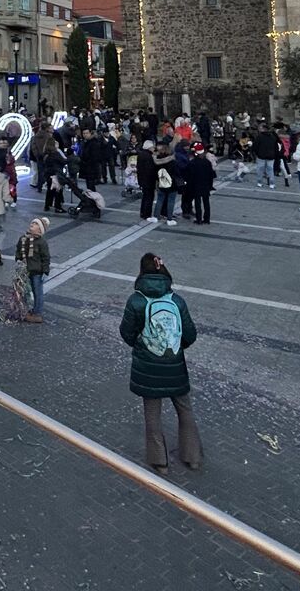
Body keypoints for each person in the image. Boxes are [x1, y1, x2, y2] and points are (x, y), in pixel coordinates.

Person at [118, 253, 201, 475]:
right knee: (185, 409)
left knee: (152, 414)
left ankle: (160, 461)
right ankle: (192, 456)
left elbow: (126, 332)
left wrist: (141, 346)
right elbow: (191, 334)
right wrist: (175, 347)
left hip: (148, 365)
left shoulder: (135, 300)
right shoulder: (176, 300)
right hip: (174, 363)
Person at [14, 216, 52, 323]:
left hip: (37, 272)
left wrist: (45, 271)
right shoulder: (23, 238)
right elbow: (18, 250)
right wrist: (18, 259)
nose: (32, 224)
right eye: (32, 223)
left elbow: (46, 258)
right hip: (25, 270)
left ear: (40, 229)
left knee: (37, 292)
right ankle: (24, 309)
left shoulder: (41, 242)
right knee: (24, 291)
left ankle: (37, 313)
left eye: (35, 224)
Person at [186, 143, 214, 225]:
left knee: (197, 202)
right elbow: (211, 175)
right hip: (205, 185)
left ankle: (199, 219)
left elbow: (189, 175)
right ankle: (207, 219)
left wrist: (189, 186)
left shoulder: (193, 163)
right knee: (206, 202)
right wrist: (210, 185)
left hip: (196, 185)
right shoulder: (207, 162)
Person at [136, 140, 159, 222]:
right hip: (149, 180)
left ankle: (142, 213)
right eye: (152, 147)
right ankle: (147, 214)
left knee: (145, 197)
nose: (154, 148)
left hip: (142, 179)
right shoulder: (149, 156)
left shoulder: (141, 154)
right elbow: (150, 169)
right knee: (149, 197)